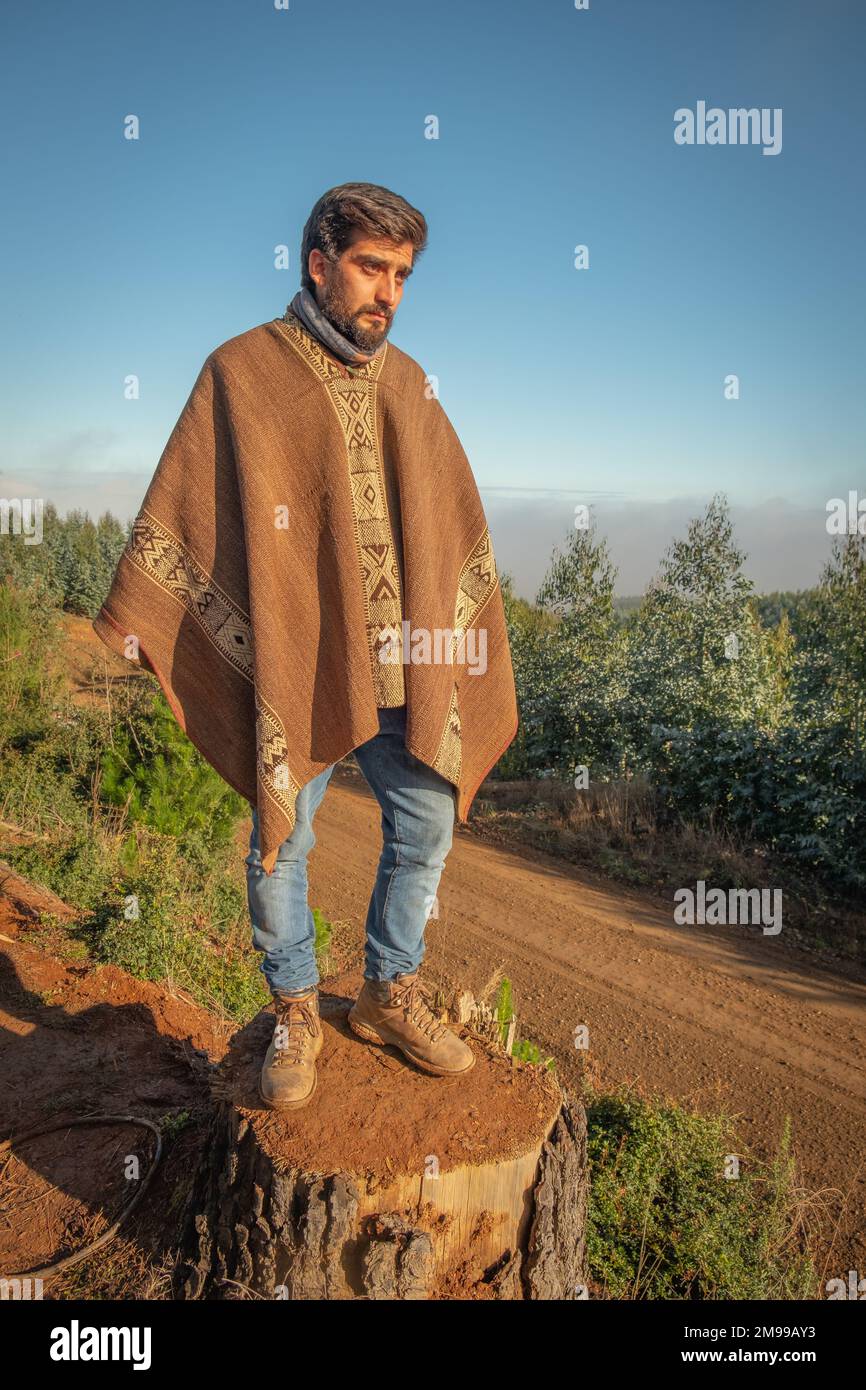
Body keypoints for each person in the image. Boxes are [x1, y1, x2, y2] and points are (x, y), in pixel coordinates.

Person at [92, 182, 518, 1111]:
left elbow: (446, 524)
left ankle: (386, 988)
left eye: (403, 275)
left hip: (405, 658)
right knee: (285, 837)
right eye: (372, 268)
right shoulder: (242, 373)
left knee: (427, 823)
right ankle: (293, 1007)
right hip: (301, 661)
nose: (389, 293)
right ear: (319, 263)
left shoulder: (409, 384)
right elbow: (190, 517)